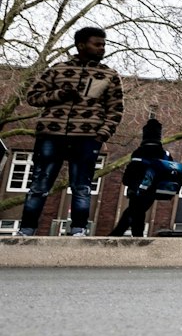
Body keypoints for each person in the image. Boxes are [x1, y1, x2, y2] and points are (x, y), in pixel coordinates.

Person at [19, 26, 124, 235]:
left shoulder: (109, 75)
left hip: (86, 138)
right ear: (81, 44)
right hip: (51, 134)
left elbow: (116, 109)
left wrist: (102, 134)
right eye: (97, 44)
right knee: (39, 184)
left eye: (103, 44)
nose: (102, 48)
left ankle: (78, 230)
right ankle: (26, 230)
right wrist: (60, 95)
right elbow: (33, 97)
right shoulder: (58, 69)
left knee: (82, 186)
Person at [111, 115, 169, 237]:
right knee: (137, 211)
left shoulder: (139, 152)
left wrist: (127, 182)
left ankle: (124, 234)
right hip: (152, 189)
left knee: (134, 211)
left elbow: (130, 171)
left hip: (135, 188)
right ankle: (128, 234)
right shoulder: (163, 153)